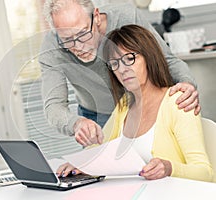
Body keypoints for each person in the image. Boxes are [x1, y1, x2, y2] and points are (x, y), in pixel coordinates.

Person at [56, 24, 213, 182]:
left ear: (149, 57)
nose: (122, 69)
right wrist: (81, 165)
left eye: (130, 58)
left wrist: (169, 168)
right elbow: (101, 149)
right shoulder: (124, 105)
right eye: (115, 64)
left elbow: (205, 173)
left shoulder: (178, 101)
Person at [39, 0, 200, 147]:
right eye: (68, 40)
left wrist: (186, 83)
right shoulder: (51, 48)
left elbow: (166, 60)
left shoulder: (126, 16)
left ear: (96, 17)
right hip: (97, 116)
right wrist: (76, 124)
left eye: (83, 34)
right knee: (103, 173)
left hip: (143, 108)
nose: (79, 47)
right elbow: (54, 106)